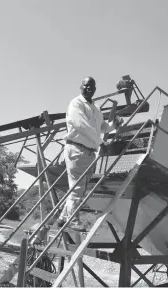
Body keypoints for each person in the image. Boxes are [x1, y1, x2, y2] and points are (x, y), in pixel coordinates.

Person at [55, 76, 122, 231]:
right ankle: (72, 220)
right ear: (80, 87)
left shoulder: (96, 109)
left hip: (88, 153)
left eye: (91, 86)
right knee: (77, 188)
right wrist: (100, 143)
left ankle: (62, 219)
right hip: (77, 150)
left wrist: (114, 125)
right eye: (86, 85)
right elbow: (82, 125)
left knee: (79, 188)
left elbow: (102, 127)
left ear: (95, 89)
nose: (88, 88)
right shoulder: (76, 103)